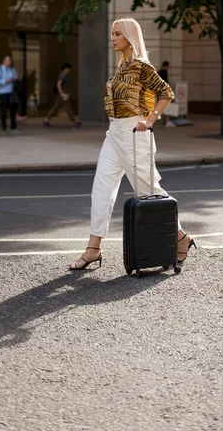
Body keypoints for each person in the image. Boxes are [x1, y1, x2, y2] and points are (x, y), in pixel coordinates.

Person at [69, 18, 195, 270]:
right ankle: (93, 248)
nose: (113, 38)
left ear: (129, 36)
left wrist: (149, 122)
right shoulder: (121, 67)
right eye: (112, 33)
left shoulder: (140, 66)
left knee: (149, 191)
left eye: (117, 34)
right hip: (114, 132)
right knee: (101, 188)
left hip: (134, 132)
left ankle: (181, 238)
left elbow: (165, 93)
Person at [43, 63, 81, 129]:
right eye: (69, 69)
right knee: (68, 108)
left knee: (56, 107)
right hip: (62, 95)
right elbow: (58, 84)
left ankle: (46, 119)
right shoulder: (63, 75)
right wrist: (62, 94)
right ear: (66, 68)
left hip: (61, 95)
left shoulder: (63, 74)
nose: (69, 70)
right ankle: (73, 122)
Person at [0, 55, 19, 132]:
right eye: (8, 60)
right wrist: (4, 81)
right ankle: (3, 126)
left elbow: (16, 77)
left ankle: (13, 126)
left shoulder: (12, 70)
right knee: (4, 110)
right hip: (3, 92)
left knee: (13, 110)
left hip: (11, 92)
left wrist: (14, 79)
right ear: (4, 61)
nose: (9, 62)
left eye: (10, 61)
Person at [157, 61, 176, 128]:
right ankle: (168, 121)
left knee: (162, 106)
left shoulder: (158, 72)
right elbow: (166, 82)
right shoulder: (164, 72)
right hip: (164, 92)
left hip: (159, 91)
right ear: (167, 66)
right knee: (167, 106)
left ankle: (166, 120)